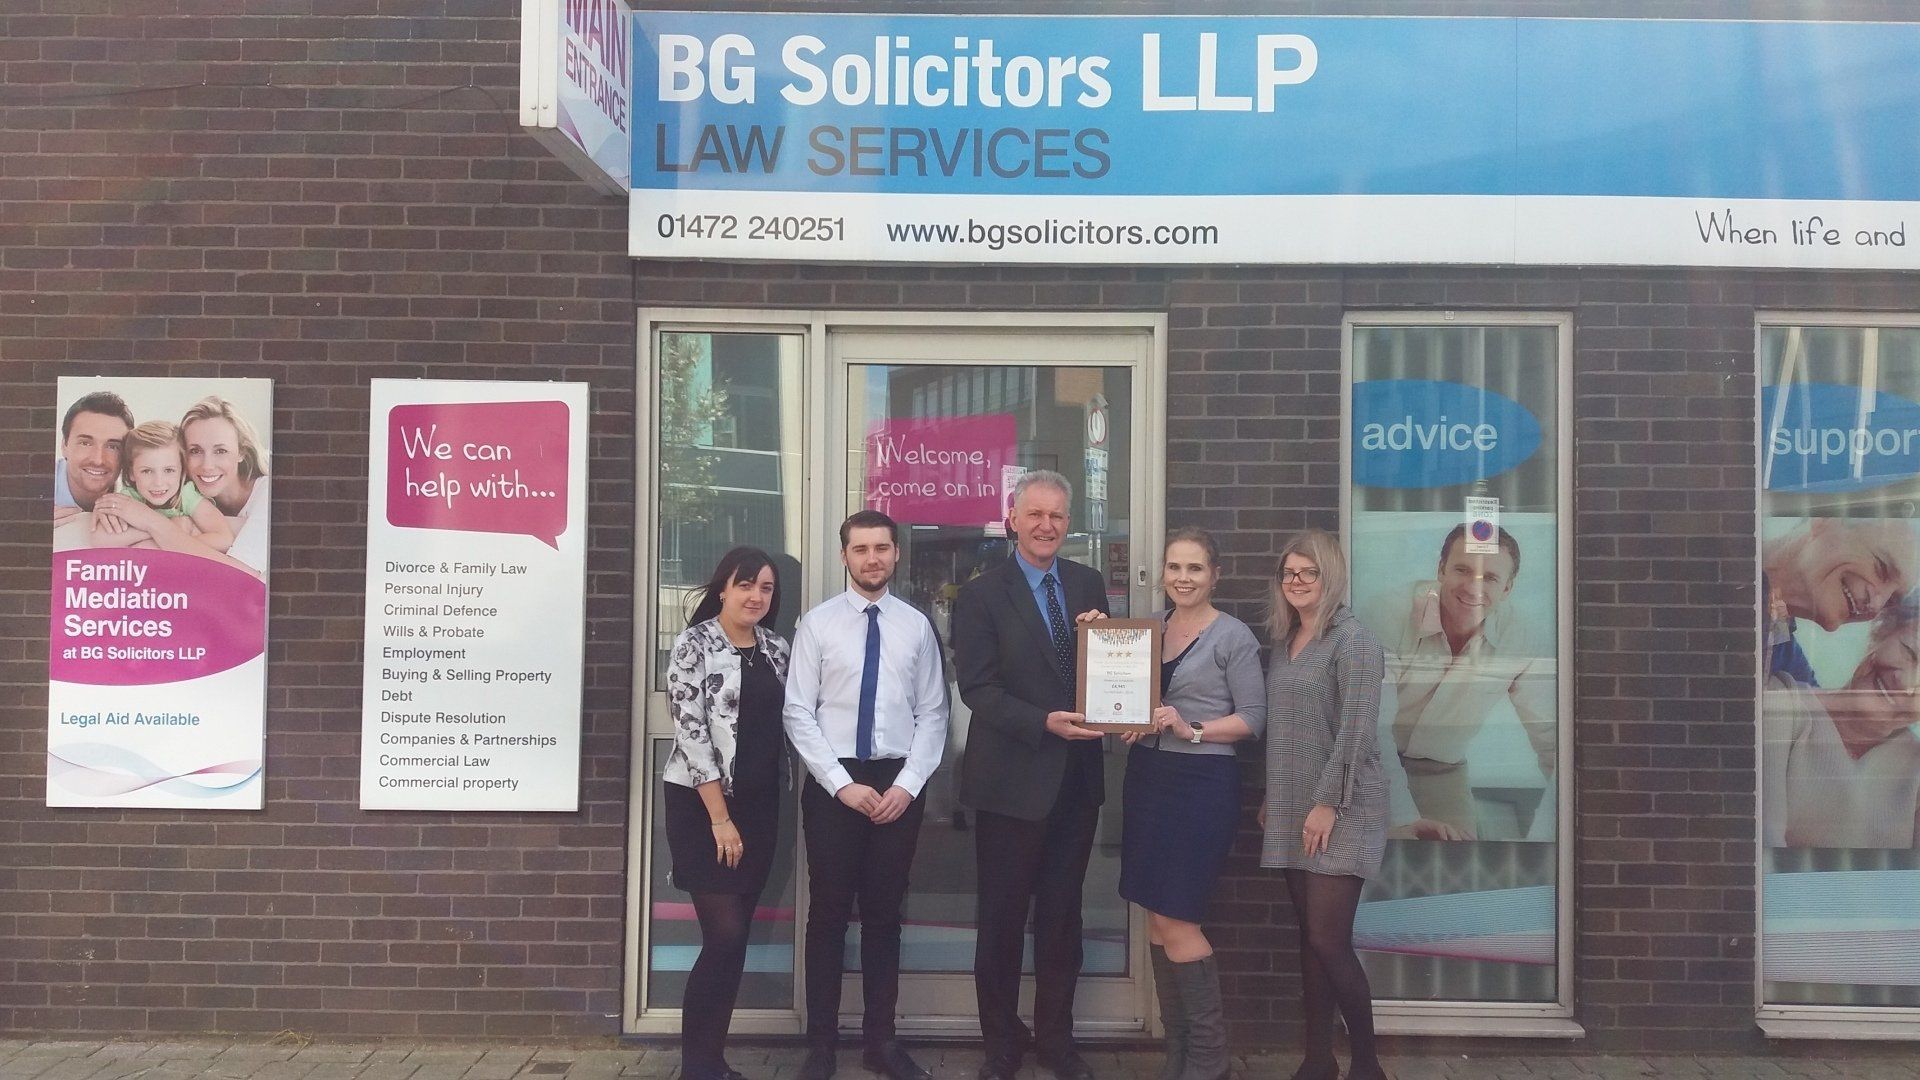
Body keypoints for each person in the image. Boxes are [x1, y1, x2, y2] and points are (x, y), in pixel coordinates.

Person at [952, 470, 1109, 1080]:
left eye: (1058, 517)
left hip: (1075, 783)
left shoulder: (1087, 583)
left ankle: (1056, 1042)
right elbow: (978, 690)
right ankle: (1001, 1046)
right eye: (1036, 514)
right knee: (1001, 920)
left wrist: (1106, 649)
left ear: (1069, 523)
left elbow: (1104, 673)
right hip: (1010, 783)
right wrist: (1044, 721)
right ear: (1012, 518)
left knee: (1062, 919)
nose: (1047, 526)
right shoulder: (981, 594)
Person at [783, 511, 948, 1080]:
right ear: (845, 556)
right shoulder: (818, 625)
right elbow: (798, 711)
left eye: (882, 548)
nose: (872, 558)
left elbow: (934, 714)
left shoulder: (916, 626)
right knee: (828, 915)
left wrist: (906, 785)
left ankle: (882, 1042)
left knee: (884, 917)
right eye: (861, 549)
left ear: (896, 555)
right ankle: (822, 1045)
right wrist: (841, 784)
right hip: (836, 782)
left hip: (898, 783)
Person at [1119, 527, 1265, 1080]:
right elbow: (1125, 691)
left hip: (1201, 784)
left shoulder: (1233, 636)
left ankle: (1208, 1065)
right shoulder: (1150, 628)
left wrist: (1191, 727)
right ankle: (1179, 1057)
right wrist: (1095, 641)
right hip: (1150, 777)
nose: (1183, 578)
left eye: (1195, 569)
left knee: (1178, 919)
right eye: (1174, 568)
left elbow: (1252, 718)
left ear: (1215, 574)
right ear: (1163, 573)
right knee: (1157, 922)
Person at [1261, 529, 1389, 1080]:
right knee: (1309, 943)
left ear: (1330, 576)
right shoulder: (1285, 641)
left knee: (1327, 940)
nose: (1296, 582)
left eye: (1308, 573)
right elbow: (1284, 729)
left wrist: (1328, 804)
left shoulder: (1353, 640)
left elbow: (1356, 734)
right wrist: (1276, 798)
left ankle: (1367, 1063)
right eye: (1289, 572)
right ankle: (1317, 1061)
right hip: (1293, 808)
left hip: (1343, 809)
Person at [661, 547, 792, 1080]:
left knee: (733, 942)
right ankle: (698, 1066)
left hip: (760, 807)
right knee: (725, 937)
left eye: (765, 588)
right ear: (723, 588)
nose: (756, 596)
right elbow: (691, 733)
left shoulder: (777, 649)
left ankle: (713, 1061)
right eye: (746, 585)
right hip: (704, 806)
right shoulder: (694, 644)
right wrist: (719, 817)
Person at [1367, 524, 1552, 841]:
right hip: (1371, 764)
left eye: (1490, 578)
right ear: (1440, 570)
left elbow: (1550, 736)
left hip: (1444, 771)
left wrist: (1558, 821)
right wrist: (1399, 819)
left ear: (1507, 588)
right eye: (1462, 570)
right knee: (1380, 868)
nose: (1472, 587)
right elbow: (1372, 724)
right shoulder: (1389, 612)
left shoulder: (1520, 636)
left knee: (1460, 865)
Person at [1764, 593, 1920, 849]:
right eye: (1909, 651)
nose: (1905, 683)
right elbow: (1767, 857)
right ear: (1881, 632)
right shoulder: (1784, 705)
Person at [90, 395, 272, 578]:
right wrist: (104, 504)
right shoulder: (177, 488)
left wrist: (153, 524)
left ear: (242, 452)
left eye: (221, 450)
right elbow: (101, 537)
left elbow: (240, 576)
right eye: (195, 451)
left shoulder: (269, 495)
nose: (207, 465)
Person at [1762, 517, 1920, 683]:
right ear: (1823, 520)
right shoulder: (1735, 535)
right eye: (1881, 567)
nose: (1876, 605)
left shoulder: (1782, 651)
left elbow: (1817, 705)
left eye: (1890, 601)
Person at [90, 421, 234, 553]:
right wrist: (162, 528)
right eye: (147, 471)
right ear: (131, 473)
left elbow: (224, 539)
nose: (158, 482)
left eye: (169, 470)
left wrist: (165, 543)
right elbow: (100, 539)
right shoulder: (129, 499)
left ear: (182, 470)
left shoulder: (186, 496)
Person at [53, 391, 135, 520]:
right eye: (85, 443)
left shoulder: (140, 496)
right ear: (64, 446)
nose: (98, 460)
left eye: (113, 447)